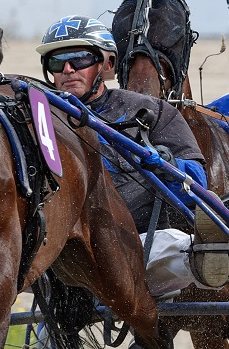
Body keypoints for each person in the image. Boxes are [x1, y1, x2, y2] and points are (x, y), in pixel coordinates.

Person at [37, 17, 208, 296]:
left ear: (108, 64)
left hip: (140, 246)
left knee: (181, 247)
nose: (68, 70)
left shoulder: (152, 111)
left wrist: (167, 163)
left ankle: (205, 260)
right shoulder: (38, 118)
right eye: (57, 62)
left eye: (79, 59)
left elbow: (198, 183)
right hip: (61, 251)